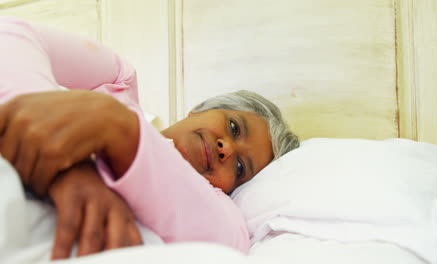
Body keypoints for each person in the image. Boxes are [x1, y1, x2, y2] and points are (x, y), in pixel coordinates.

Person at [0, 17, 300, 259]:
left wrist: (122, 131)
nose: (227, 149)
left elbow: (226, 248)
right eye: (234, 128)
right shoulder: (117, 81)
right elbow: (11, 36)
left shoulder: (213, 208)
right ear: (198, 109)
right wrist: (68, 163)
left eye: (239, 169)